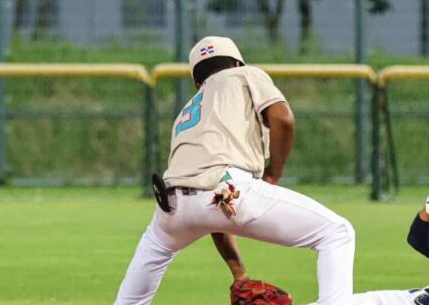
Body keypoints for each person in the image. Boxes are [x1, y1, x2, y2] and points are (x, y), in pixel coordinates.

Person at [114, 36, 355, 305]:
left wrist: (239, 274)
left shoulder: (187, 112)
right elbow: (282, 119)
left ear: (197, 82)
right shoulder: (245, 74)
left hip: (171, 205)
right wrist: (274, 172)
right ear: (238, 62)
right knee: (336, 233)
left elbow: (212, 209)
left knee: (133, 296)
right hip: (228, 188)